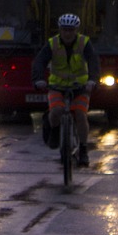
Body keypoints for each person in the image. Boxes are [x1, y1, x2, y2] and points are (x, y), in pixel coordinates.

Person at [32, 13, 100, 167]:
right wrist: (38, 80)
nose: (67, 33)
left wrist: (93, 80)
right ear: (60, 30)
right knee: (56, 111)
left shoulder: (84, 43)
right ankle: (55, 131)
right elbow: (39, 62)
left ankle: (83, 149)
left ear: (76, 30)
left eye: (71, 30)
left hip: (80, 87)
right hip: (57, 86)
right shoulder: (52, 43)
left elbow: (94, 62)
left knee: (81, 114)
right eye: (64, 30)